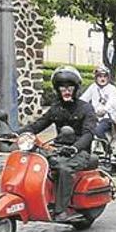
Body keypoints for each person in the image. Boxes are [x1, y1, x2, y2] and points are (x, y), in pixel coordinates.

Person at [21, 66, 97, 220]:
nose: (67, 90)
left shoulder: (86, 108)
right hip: (58, 149)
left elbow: (89, 134)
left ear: (76, 88)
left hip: (80, 152)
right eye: (63, 87)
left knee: (64, 168)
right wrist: (17, 133)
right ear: (58, 89)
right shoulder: (56, 108)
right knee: (35, 160)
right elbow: (39, 124)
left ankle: (61, 210)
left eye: (70, 87)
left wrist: (75, 148)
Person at [80, 65, 116, 140]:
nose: (102, 79)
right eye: (100, 76)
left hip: (108, 117)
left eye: (104, 76)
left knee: (98, 131)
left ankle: (107, 148)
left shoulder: (112, 88)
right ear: (96, 78)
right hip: (94, 117)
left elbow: (112, 101)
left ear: (108, 77)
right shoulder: (93, 87)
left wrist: (104, 110)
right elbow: (84, 99)